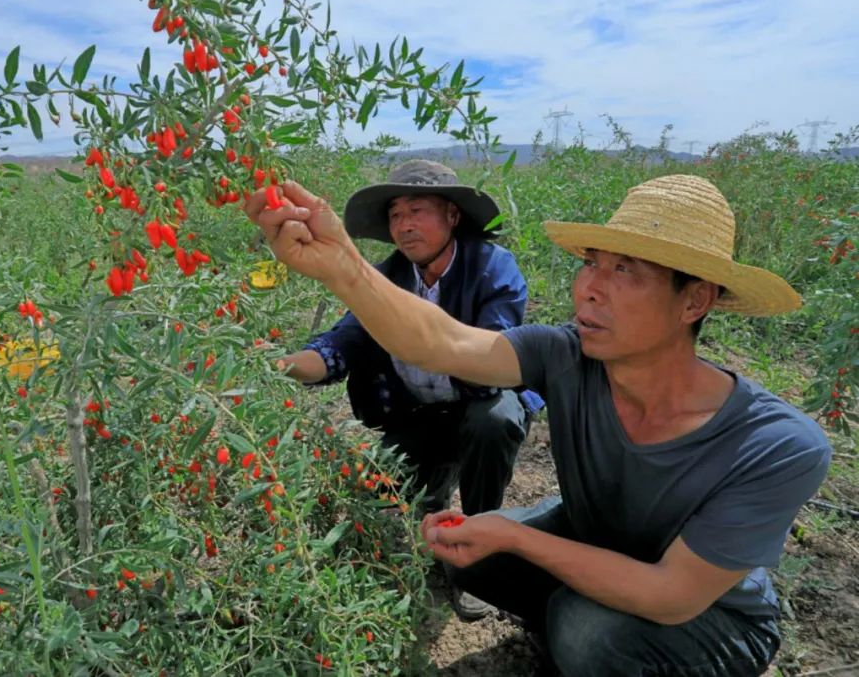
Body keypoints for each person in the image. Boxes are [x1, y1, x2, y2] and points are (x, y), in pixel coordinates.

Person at [246, 174, 831, 676]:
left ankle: (596, 637)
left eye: (625, 270)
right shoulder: (566, 355)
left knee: (585, 628)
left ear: (694, 300)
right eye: (591, 264)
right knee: (464, 550)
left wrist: (516, 535)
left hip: (714, 617)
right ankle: (579, 623)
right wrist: (341, 264)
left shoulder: (775, 444)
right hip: (593, 537)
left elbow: (671, 595)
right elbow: (442, 340)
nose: (588, 288)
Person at [278, 160, 542, 521]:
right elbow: (342, 344)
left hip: (480, 401)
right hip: (418, 413)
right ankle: (432, 501)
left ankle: (482, 529)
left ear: (452, 215)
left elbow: (491, 360)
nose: (404, 225)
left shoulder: (491, 267)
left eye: (416, 210)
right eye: (396, 215)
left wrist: (425, 342)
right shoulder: (387, 278)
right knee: (379, 486)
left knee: (492, 422)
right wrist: (278, 366)